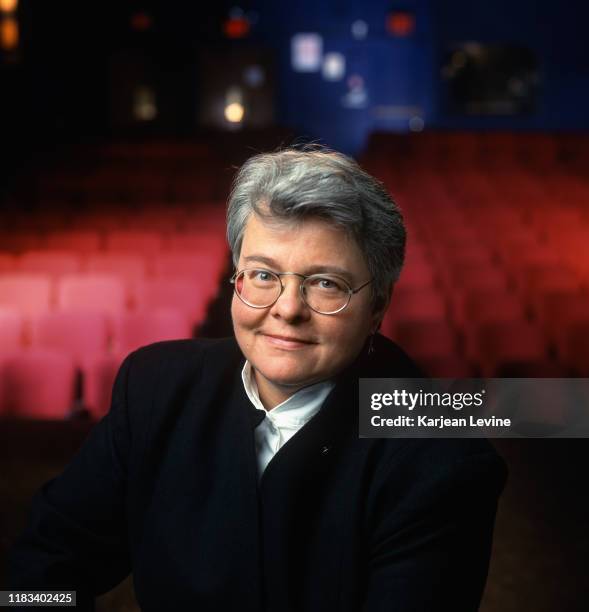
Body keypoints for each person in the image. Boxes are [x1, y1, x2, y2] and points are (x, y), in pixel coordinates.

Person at [9, 147, 507, 611]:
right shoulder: (154, 388)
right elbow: (44, 572)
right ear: (236, 279)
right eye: (264, 275)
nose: (287, 310)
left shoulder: (444, 452)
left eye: (325, 283)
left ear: (377, 306)